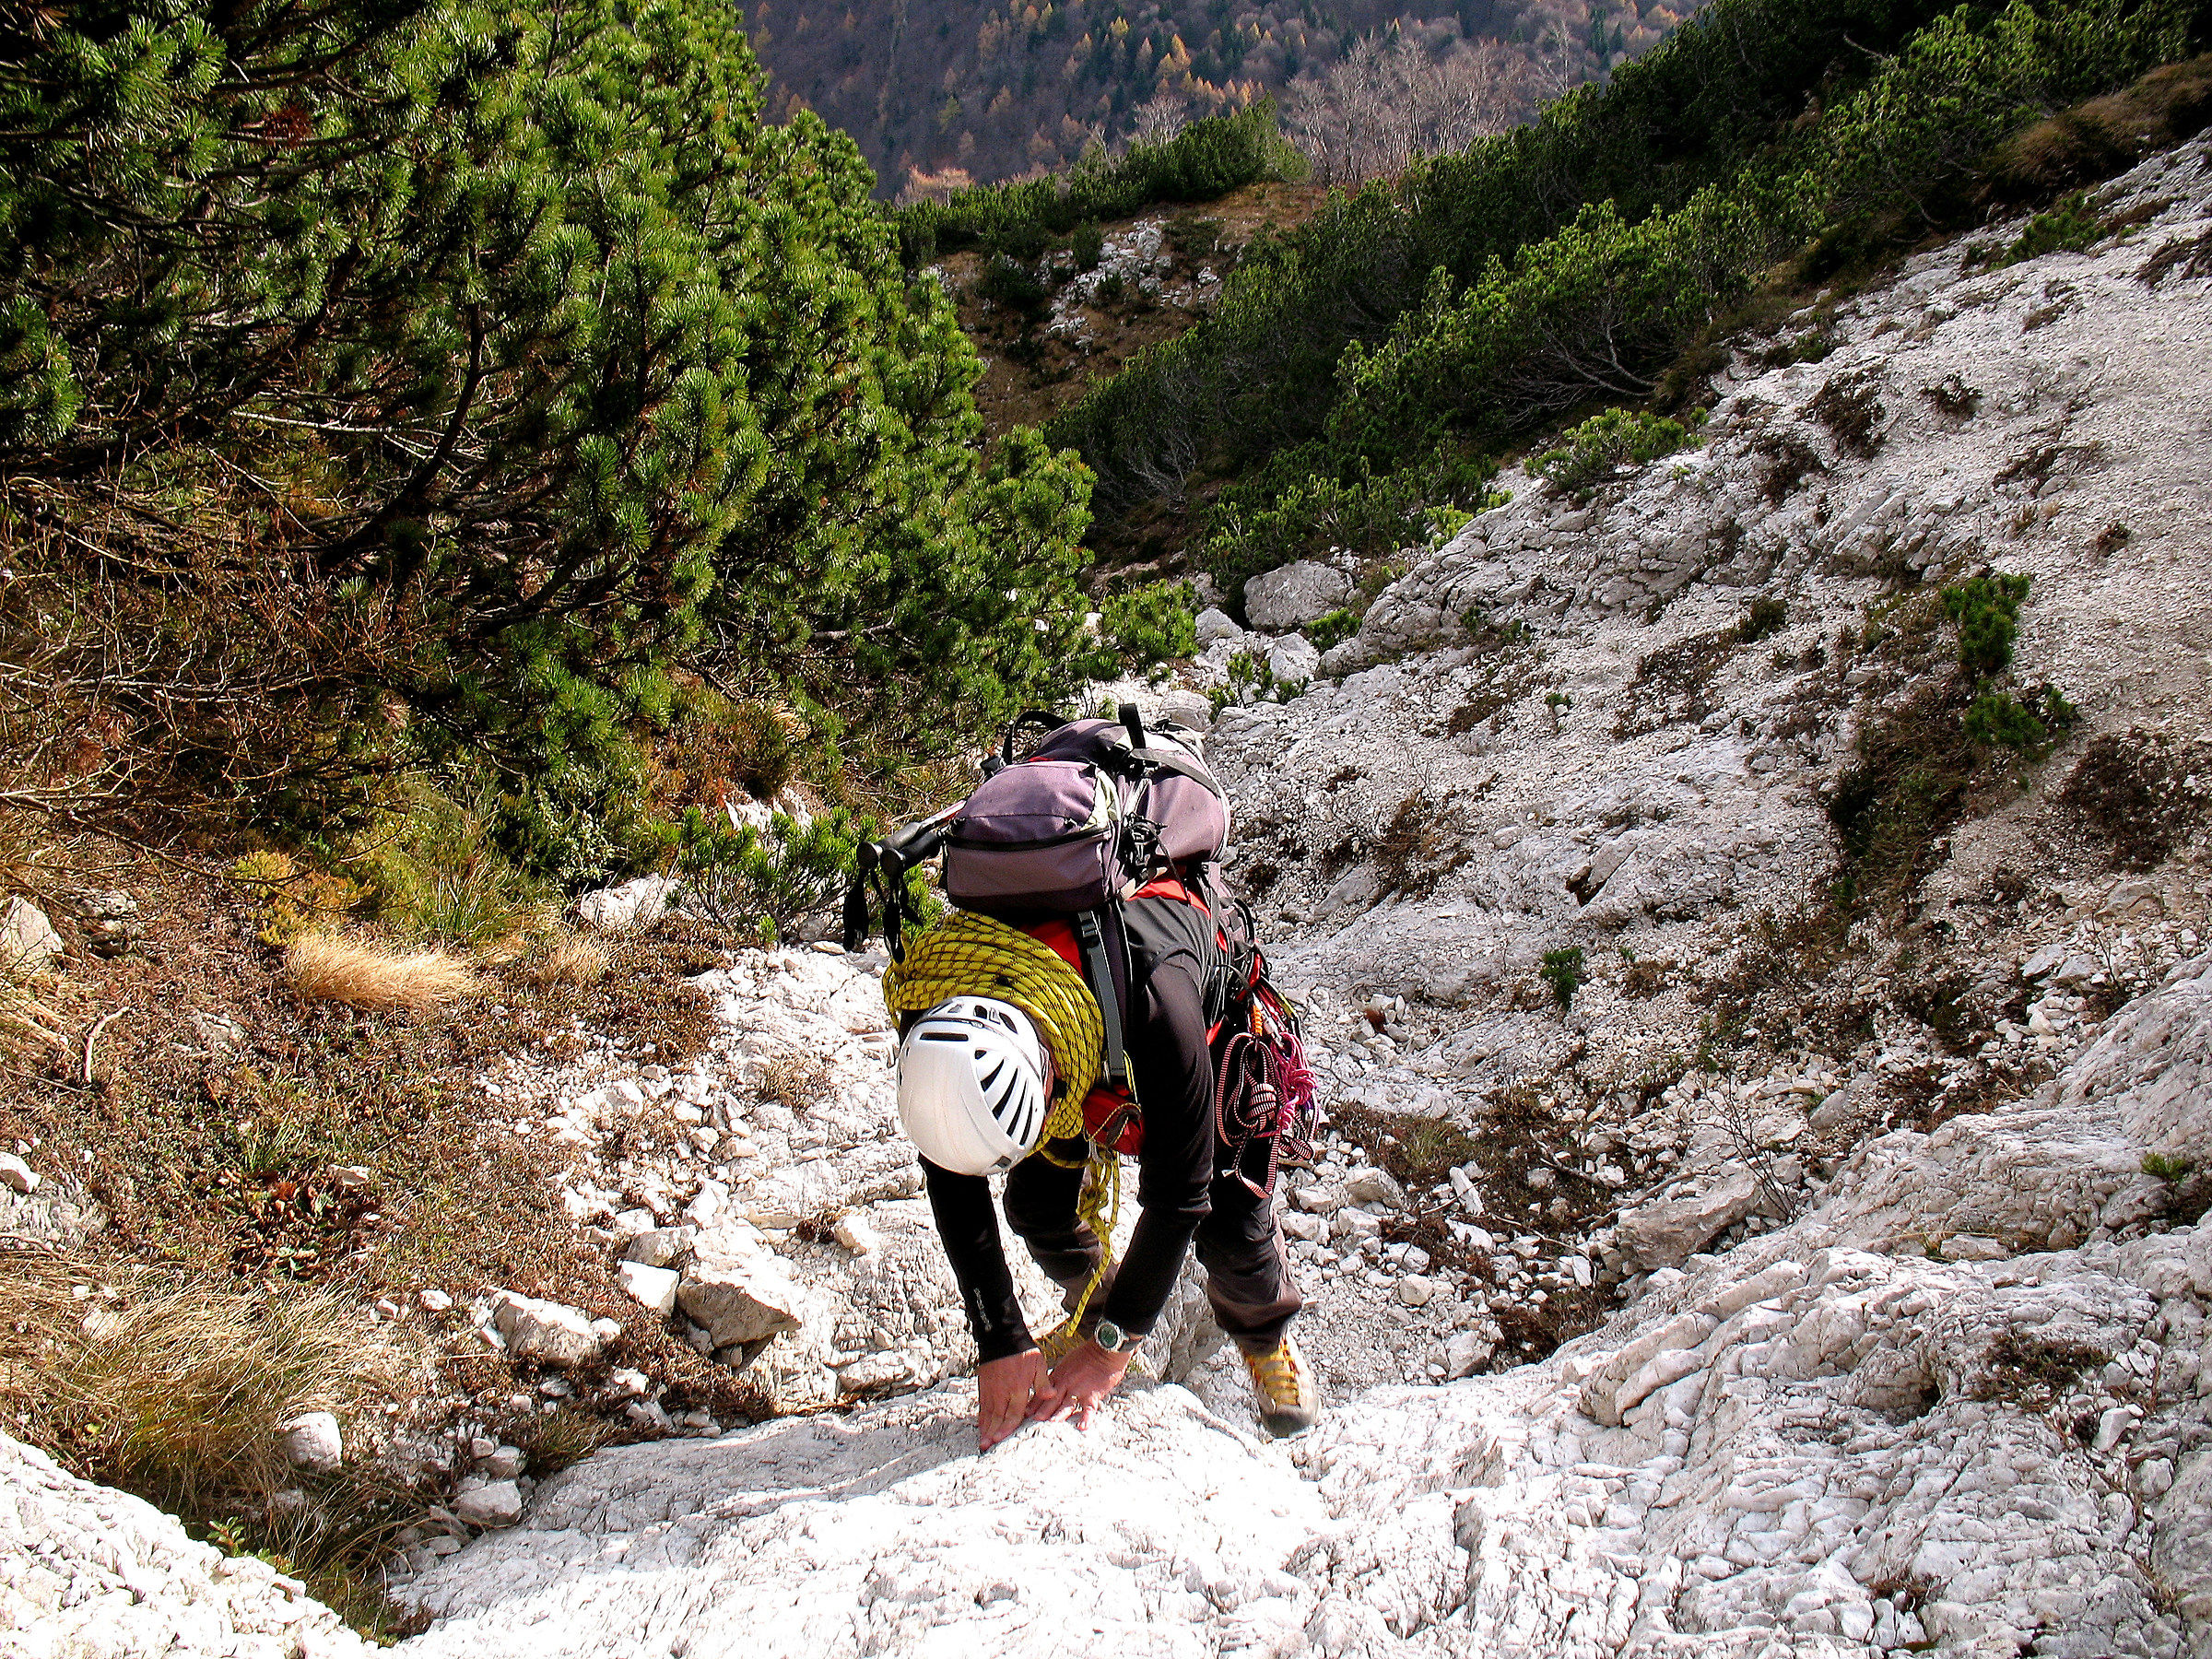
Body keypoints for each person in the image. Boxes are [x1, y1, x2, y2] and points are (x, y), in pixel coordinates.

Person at [898, 880, 1321, 1451]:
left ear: (1049, 1083)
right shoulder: (936, 1002)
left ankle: (1265, 1337)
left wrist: (1109, 1353)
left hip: (1203, 1038)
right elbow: (949, 1168)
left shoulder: (1158, 1001)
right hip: (1075, 1023)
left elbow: (1181, 1197)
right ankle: (1097, 1300)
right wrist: (999, 1335)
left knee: (1231, 1231)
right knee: (1037, 1204)